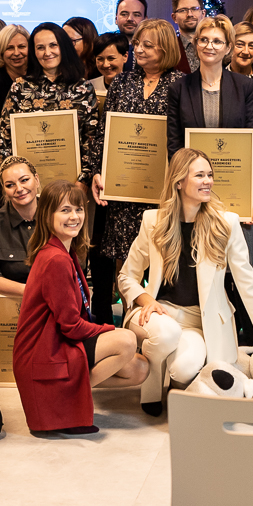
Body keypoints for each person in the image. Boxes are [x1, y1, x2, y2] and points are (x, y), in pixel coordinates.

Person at [120, 149, 253, 414]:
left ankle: (173, 380)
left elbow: (247, 284)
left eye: (210, 175)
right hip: (159, 314)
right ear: (179, 182)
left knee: (184, 369)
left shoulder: (226, 223)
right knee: (166, 334)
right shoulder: (153, 221)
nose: (208, 181)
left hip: (200, 321)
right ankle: (151, 387)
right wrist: (146, 300)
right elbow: (127, 275)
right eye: (199, 175)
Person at [13, 179, 146, 436]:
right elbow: (72, 326)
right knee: (127, 340)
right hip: (44, 350)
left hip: (56, 342)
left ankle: (65, 398)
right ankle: (64, 402)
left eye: (79, 209)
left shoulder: (65, 251)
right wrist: (112, 330)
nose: (74, 216)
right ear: (47, 215)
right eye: (65, 210)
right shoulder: (55, 259)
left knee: (138, 369)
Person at [168, 15, 253, 275]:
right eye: (203, 40)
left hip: (237, 191)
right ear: (196, 44)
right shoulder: (179, 88)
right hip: (194, 194)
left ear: (228, 47)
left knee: (238, 273)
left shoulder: (244, 86)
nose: (209, 46)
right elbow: (174, 146)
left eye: (217, 41)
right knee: (198, 270)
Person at [93, 19, 183, 301]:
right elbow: (105, 131)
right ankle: (129, 320)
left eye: (147, 45)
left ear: (165, 48)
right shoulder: (122, 81)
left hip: (163, 189)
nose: (139, 50)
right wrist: (98, 170)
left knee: (161, 259)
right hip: (125, 188)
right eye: (137, 44)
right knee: (126, 261)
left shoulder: (181, 84)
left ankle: (158, 318)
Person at [0, 22, 106, 247]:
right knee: (31, 251)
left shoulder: (83, 88)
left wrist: (83, 181)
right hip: (29, 193)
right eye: (40, 47)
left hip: (72, 189)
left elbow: (92, 139)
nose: (47, 52)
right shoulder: (20, 88)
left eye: (53, 45)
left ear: (63, 47)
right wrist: (17, 184)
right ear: (33, 52)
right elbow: (4, 140)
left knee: (70, 251)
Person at [0, 156, 43, 299]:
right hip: (10, 305)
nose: (19, 189)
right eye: (10, 185)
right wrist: (30, 291)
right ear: (4, 189)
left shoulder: (55, 216)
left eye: (24, 180)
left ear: (36, 180)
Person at [0, 21, 33, 147]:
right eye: (9, 48)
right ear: (1, 52)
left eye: (22, 46)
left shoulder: (41, 81)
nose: (16, 53)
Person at [170, 0, 205, 70]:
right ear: (174, 17)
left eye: (194, 9)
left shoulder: (216, 46)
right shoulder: (168, 50)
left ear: (203, 14)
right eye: (183, 10)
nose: (189, 14)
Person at [90, 31, 128, 101]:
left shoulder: (136, 86)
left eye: (111, 58)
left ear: (125, 57)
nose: (105, 65)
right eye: (100, 59)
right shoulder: (90, 86)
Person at [63, 15, 100, 81]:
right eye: (63, 41)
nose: (66, 46)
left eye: (71, 41)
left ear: (87, 41)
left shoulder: (101, 67)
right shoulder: (61, 70)